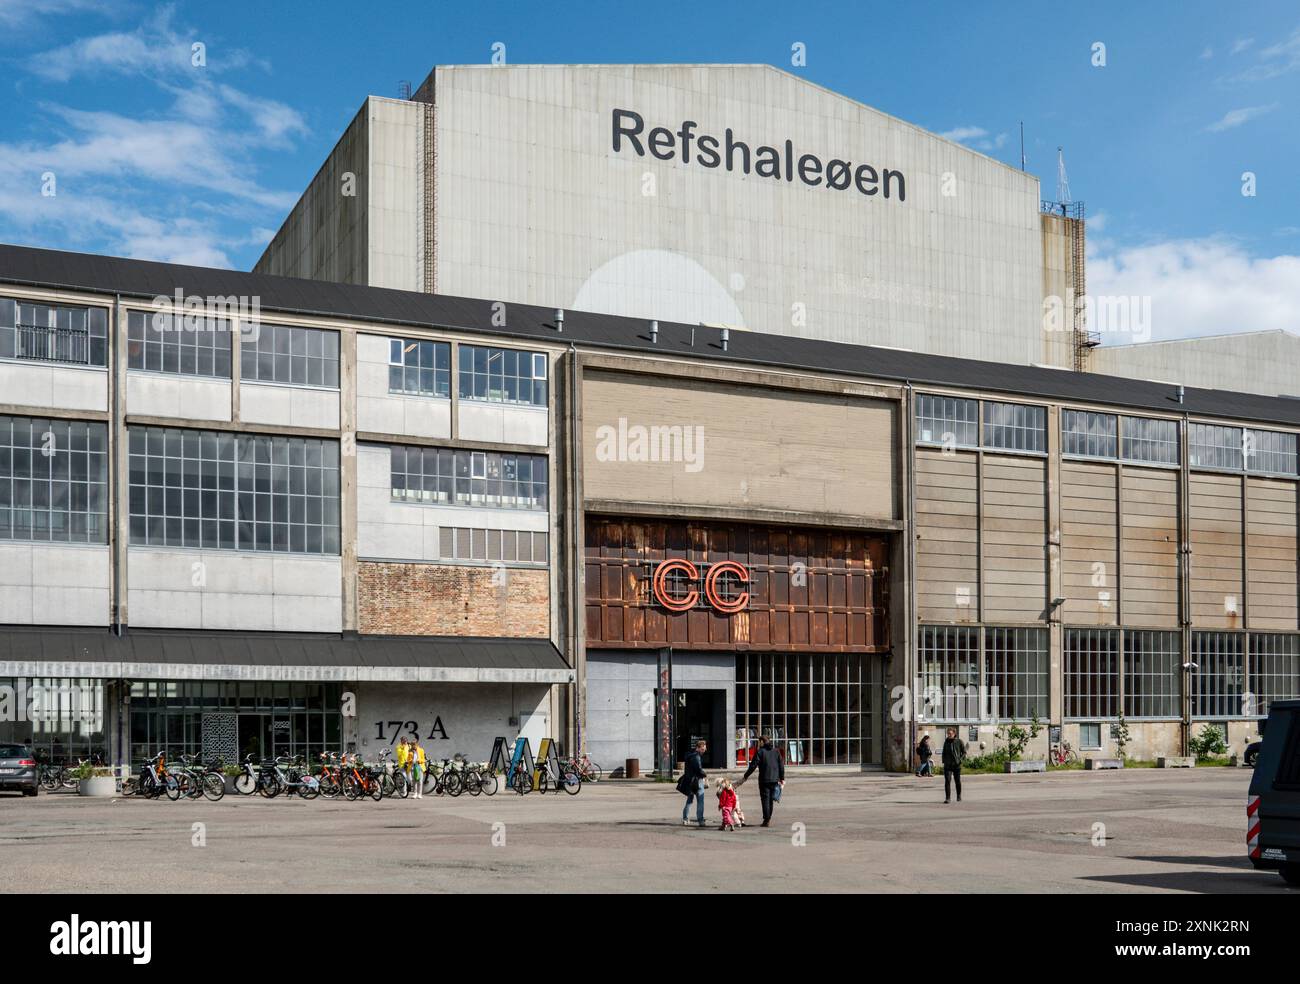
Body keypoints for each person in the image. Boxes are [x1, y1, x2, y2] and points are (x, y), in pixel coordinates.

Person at [741, 735, 785, 827]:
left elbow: (753, 765)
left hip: (764, 779)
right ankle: (768, 818)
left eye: (759, 742)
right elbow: (781, 765)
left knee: (765, 799)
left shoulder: (760, 752)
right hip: (774, 779)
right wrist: (782, 778)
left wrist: (746, 776)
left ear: (762, 742)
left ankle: (766, 819)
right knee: (771, 800)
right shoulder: (776, 751)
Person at [677, 739, 709, 827]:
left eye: (704, 749)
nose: (704, 751)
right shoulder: (696, 757)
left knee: (689, 800)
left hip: (689, 781)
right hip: (697, 781)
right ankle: (700, 820)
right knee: (700, 801)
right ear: (698, 748)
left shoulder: (689, 755)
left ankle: (685, 818)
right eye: (703, 749)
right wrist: (705, 775)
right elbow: (699, 770)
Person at [942, 727, 966, 803]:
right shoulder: (946, 742)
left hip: (956, 765)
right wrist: (944, 761)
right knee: (947, 781)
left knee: (957, 781)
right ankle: (947, 798)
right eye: (948, 733)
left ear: (954, 734)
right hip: (948, 765)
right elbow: (944, 752)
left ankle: (959, 796)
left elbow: (964, 752)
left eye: (950, 733)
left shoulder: (959, 741)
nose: (949, 735)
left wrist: (960, 760)